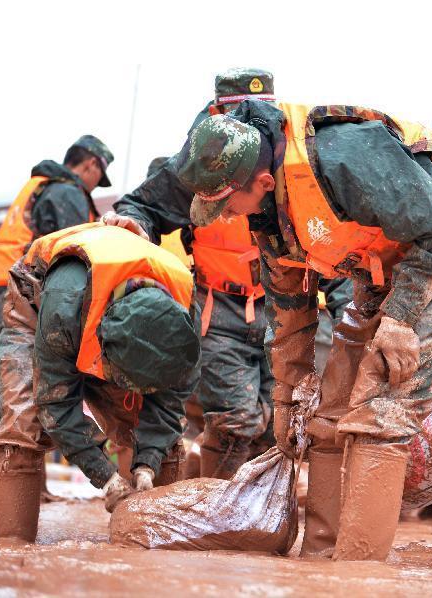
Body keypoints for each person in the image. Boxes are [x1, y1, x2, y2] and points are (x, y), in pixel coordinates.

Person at [159, 99, 432, 561]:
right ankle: (317, 561)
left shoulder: (345, 158)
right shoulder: (268, 216)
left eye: (225, 205)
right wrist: (286, 396)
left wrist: (399, 320)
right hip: (380, 271)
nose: (226, 217)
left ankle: (356, 573)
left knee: (381, 413)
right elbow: (290, 309)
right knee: (327, 415)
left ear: (263, 181)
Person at [111, 69, 275, 480]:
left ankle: (255, 511)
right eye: (238, 113)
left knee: (280, 424)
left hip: (279, 307)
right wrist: (136, 228)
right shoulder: (200, 162)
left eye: (258, 112)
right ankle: (215, 509)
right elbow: (141, 206)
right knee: (235, 422)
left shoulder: (283, 156)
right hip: (218, 310)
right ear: (216, 113)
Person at [0, 223, 200, 543]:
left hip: (109, 311)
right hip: (39, 298)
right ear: (104, 346)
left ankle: (155, 543)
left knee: (165, 445)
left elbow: (168, 406)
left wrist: (147, 465)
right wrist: (105, 476)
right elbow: (56, 404)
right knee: (21, 424)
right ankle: (11, 544)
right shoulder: (64, 307)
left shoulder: (182, 326)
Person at [0, 136, 113, 350]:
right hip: (18, 292)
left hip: (4, 279)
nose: (96, 185)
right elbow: (76, 251)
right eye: (99, 178)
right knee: (14, 363)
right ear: (91, 164)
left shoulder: (45, 184)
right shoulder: (68, 192)